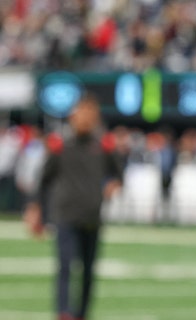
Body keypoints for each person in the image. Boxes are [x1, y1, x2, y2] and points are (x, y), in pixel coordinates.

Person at [23, 92, 123, 320]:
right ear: (73, 115)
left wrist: (113, 184)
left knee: (88, 270)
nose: (86, 118)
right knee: (65, 266)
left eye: (91, 113)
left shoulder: (103, 146)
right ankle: (63, 313)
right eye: (82, 112)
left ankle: (82, 314)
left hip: (92, 215)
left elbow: (117, 174)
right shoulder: (61, 145)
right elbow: (43, 180)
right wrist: (34, 208)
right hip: (66, 213)